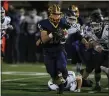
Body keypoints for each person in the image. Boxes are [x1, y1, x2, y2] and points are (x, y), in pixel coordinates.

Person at [37, 4, 69, 94]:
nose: (57, 16)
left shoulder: (63, 22)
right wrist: (52, 34)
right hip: (48, 50)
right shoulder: (44, 23)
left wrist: (64, 36)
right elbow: (43, 39)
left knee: (62, 67)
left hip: (59, 48)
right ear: (50, 14)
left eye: (58, 14)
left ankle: (64, 75)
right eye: (55, 14)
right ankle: (61, 85)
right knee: (52, 72)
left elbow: (66, 34)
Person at [82, 8, 109, 92]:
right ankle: (97, 85)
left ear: (101, 23)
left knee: (104, 68)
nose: (94, 27)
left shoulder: (107, 29)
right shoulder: (90, 29)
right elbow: (91, 39)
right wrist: (95, 45)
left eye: (96, 25)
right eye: (93, 25)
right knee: (97, 68)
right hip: (100, 51)